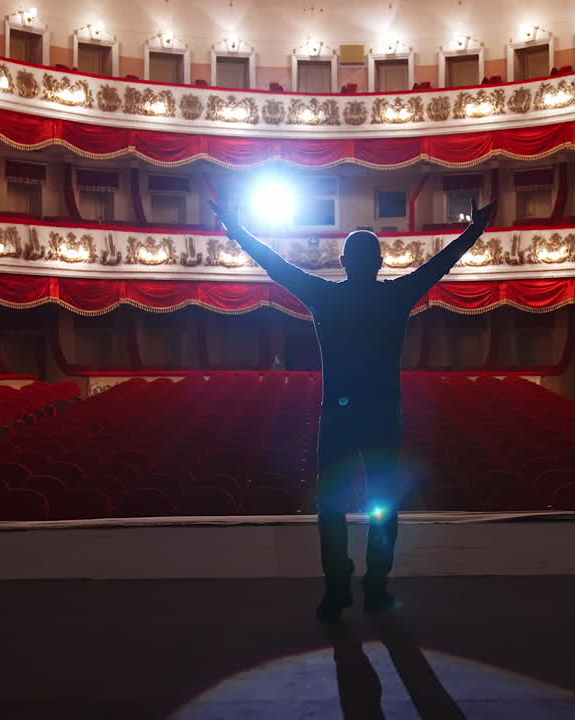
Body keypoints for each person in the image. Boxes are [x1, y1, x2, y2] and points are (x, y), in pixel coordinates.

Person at [210, 196, 497, 622]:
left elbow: (274, 264)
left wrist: (236, 229)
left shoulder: (323, 296)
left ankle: (338, 589)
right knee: (383, 506)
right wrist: (474, 229)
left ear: (343, 261)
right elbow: (442, 264)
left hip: (339, 417)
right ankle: (376, 588)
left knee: (332, 507)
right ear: (380, 262)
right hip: (383, 415)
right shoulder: (397, 296)